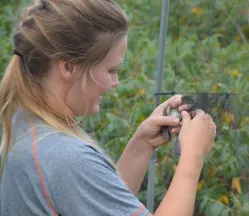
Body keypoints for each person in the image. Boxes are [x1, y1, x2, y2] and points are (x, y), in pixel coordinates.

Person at [0, 0, 216, 215]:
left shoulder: (26, 124)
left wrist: (142, 144)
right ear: (68, 67)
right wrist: (193, 156)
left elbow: (98, 201)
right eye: (111, 70)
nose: (116, 82)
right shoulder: (66, 157)